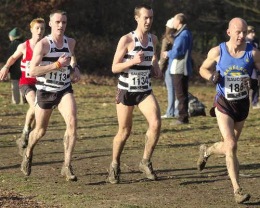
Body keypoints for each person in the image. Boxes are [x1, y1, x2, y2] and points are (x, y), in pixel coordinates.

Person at [197, 17, 260, 204]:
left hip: (242, 104)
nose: (242, 35)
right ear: (229, 32)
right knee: (231, 144)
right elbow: (202, 68)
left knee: (229, 146)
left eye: (244, 32)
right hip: (223, 103)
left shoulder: (253, 53)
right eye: (238, 32)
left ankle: (206, 151)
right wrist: (211, 77)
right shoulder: (218, 51)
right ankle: (237, 190)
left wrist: (255, 83)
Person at [20, 10, 81, 181]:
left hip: (64, 89)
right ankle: (28, 152)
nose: (61, 25)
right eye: (58, 22)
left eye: (64, 22)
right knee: (40, 131)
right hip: (45, 91)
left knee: (72, 122)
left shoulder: (70, 42)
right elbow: (32, 71)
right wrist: (56, 65)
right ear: (50, 24)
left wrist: (75, 69)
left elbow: (73, 58)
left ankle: (67, 165)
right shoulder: (43, 45)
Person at [107, 4, 162, 184]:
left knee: (155, 123)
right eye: (145, 18)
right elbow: (114, 67)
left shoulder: (153, 39)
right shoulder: (127, 40)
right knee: (124, 131)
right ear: (137, 18)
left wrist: (155, 68)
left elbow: (152, 58)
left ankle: (145, 161)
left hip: (144, 90)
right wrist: (131, 61)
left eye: (151, 18)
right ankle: (114, 165)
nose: (148, 21)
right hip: (126, 90)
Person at [0, 18, 46, 156]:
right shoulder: (24, 46)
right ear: (31, 29)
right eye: (37, 28)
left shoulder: (47, 45)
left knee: (37, 112)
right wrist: (6, 67)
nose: (39, 31)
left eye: (42, 29)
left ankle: (24, 134)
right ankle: (26, 133)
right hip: (26, 83)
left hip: (42, 84)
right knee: (35, 106)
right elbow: (13, 58)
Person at [162, 13, 193, 125]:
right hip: (180, 68)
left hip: (179, 68)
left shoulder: (183, 35)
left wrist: (167, 53)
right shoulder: (184, 34)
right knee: (182, 93)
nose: (172, 23)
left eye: (174, 20)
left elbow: (178, 52)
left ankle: (182, 118)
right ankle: (183, 117)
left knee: (180, 94)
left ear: (179, 22)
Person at [159, 18, 179, 119]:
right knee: (177, 90)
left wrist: (160, 69)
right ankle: (176, 111)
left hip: (169, 68)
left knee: (170, 90)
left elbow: (163, 56)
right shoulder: (179, 37)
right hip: (179, 67)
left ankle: (170, 112)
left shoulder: (166, 39)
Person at [6, 27, 23, 104]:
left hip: (14, 68)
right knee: (23, 84)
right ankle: (24, 100)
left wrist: (8, 68)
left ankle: (16, 101)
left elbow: (10, 57)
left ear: (12, 36)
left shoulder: (12, 45)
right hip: (23, 67)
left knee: (15, 84)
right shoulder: (23, 44)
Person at [246, 25, 260, 109]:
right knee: (246, 85)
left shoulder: (256, 41)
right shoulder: (243, 41)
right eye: (251, 32)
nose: (253, 34)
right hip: (247, 66)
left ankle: (255, 102)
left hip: (256, 66)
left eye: (253, 32)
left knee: (255, 84)